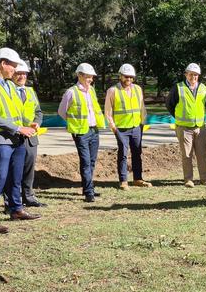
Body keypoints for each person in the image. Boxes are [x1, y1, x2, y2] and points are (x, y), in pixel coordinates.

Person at [0, 48, 41, 233]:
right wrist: (18, 128)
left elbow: (17, 112)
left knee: (16, 176)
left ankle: (16, 209)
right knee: (1, 176)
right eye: (13, 66)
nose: (15, 70)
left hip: (18, 138)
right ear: (3, 64)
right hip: (2, 140)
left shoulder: (11, 86)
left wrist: (29, 124)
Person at [58, 63, 105, 202]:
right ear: (79, 75)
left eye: (92, 77)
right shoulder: (71, 92)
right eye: (88, 77)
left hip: (94, 130)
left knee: (91, 161)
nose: (90, 79)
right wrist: (74, 122)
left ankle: (87, 188)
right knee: (85, 162)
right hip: (81, 132)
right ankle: (89, 192)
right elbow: (61, 112)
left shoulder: (91, 90)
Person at [4, 61, 46, 208]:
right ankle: (10, 200)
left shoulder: (30, 91)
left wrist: (37, 123)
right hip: (14, 135)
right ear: (13, 74)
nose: (21, 76)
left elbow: (38, 112)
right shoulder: (7, 90)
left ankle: (28, 196)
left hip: (30, 137)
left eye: (24, 74)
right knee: (13, 170)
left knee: (29, 167)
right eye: (18, 73)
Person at [104, 64, 152, 190]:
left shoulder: (137, 89)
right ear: (120, 76)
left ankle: (138, 179)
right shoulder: (112, 91)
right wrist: (114, 128)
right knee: (123, 154)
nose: (129, 80)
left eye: (131, 77)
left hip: (136, 127)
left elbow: (142, 108)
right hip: (121, 129)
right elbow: (108, 112)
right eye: (126, 77)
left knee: (137, 152)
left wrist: (142, 123)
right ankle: (123, 180)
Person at [166, 63, 206, 188]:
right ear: (186, 74)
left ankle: (204, 178)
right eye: (191, 74)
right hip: (184, 128)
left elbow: (205, 103)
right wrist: (179, 119)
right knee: (187, 155)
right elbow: (170, 104)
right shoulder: (178, 88)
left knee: (202, 154)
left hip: (200, 127)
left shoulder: (203, 88)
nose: (193, 77)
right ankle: (188, 179)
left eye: (196, 75)